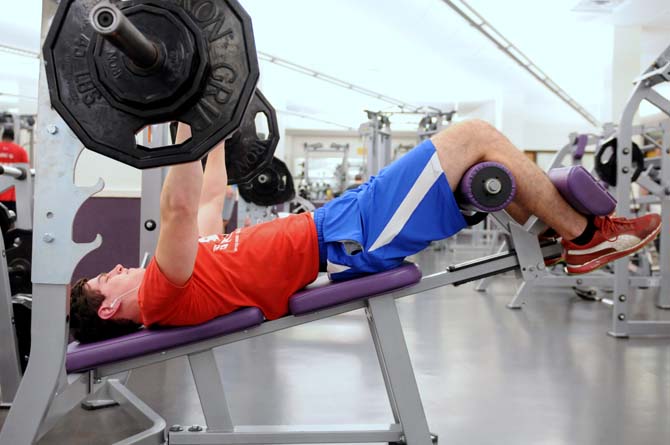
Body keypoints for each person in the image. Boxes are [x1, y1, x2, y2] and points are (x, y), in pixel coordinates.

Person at [70, 120, 661, 343]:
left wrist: (211, 123)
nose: (118, 267)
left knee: (486, 157)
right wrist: (179, 130)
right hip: (348, 242)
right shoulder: (159, 296)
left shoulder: (178, 271)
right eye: (106, 277)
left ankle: (568, 239)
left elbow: (207, 196)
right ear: (108, 308)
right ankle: (589, 238)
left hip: (337, 222)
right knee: (472, 138)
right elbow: (174, 211)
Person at [0, 128, 29, 212]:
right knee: (10, 222)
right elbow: (25, 171)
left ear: (2, 136)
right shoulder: (20, 151)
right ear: (13, 137)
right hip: (11, 195)